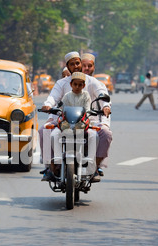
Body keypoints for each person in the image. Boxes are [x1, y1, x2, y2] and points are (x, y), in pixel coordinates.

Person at [40, 51, 111, 182]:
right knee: (43, 130)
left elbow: (102, 95)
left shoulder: (93, 82)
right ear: (67, 67)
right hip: (64, 121)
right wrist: (47, 105)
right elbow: (53, 98)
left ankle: (94, 166)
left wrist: (106, 106)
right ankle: (51, 167)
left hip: (87, 121)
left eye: (77, 63)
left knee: (105, 134)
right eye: (72, 64)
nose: (76, 66)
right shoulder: (62, 83)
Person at [44, 72, 96, 180]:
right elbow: (61, 108)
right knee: (54, 134)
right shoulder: (67, 96)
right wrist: (53, 109)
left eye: (80, 85)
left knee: (94, 135)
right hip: (66, 125)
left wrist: (87, 116)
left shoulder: (86, 95)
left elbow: (87, 110)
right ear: (71, 84)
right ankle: (58, 159)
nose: (77, 87)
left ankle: (90, 162)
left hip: (81, 125)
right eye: (75, 84)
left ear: (84, 86)